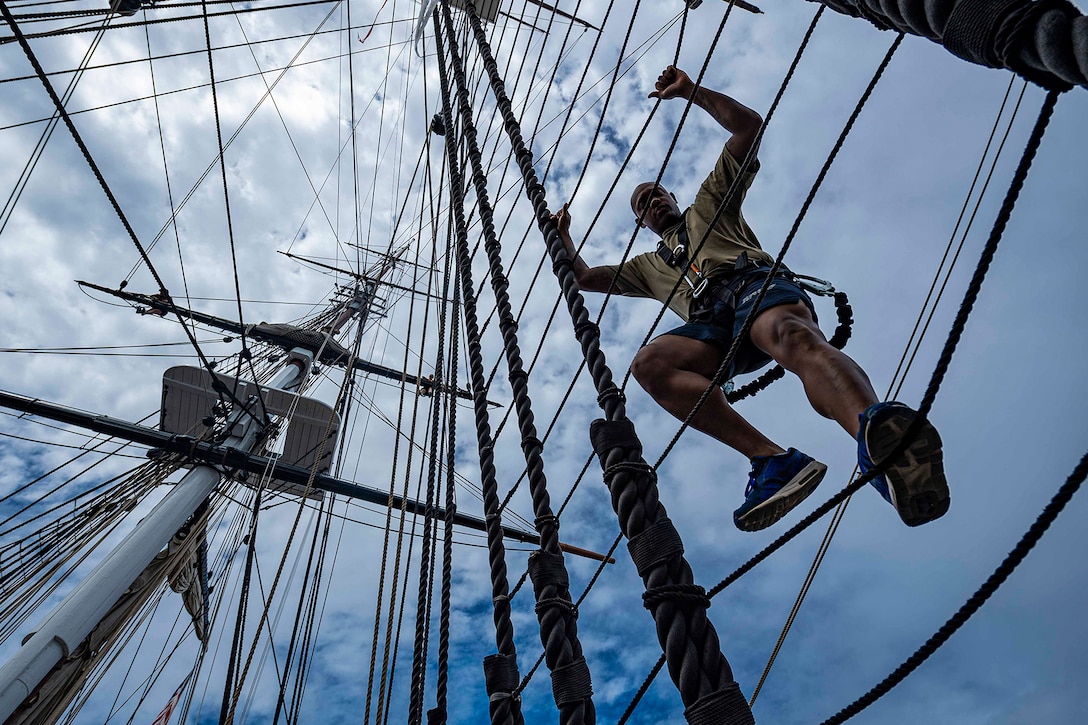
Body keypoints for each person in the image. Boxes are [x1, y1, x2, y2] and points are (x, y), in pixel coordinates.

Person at [553, 66, 949, 532]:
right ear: (640, 222)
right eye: (643, 204)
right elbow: (583, 278)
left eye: (656, 192)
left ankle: (880, 439)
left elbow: (748, 128)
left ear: (672, 195)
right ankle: (773, 461)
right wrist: (561, 240)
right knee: (650, 366)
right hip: (710, 326)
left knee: (790, 336)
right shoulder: (647, 266)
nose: (652, 202)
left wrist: (692, 92)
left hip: (752, 287)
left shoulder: (709, 203)